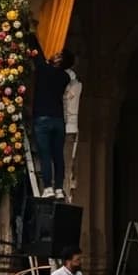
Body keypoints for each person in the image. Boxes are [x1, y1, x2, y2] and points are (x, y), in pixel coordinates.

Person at [32, 48, 74, 198]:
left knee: (45, 154)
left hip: (42, 118)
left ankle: (48, 187)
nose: (54, 55)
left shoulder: (44, 69)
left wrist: (32, 33)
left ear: (59, 61)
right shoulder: (64, 78)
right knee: (58, 156)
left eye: (58, 55)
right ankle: (59, 189)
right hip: (58, 120)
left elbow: (36, 52)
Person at [61, 54, 81, 201]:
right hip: (67, 128)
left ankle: (66, 197)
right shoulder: (73, 82)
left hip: (67, 129)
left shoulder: (74, 84)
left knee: (67, 168)